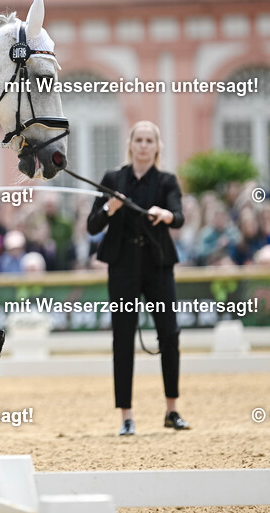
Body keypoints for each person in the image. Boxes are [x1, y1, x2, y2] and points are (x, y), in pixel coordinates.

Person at [87, 121, 190, 436]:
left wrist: (167, 215)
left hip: (158, 265)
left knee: (169, 335)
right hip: (123, 266)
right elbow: (93, 225)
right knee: (123, 338)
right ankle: (126, 416)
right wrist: (110, 206)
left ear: (157, 147)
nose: (144, 145)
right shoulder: (113, 179)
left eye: (149, 141)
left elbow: (179, 216)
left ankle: (171, 410)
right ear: (130, 144)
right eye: (139, 140)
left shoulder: (167, 181)